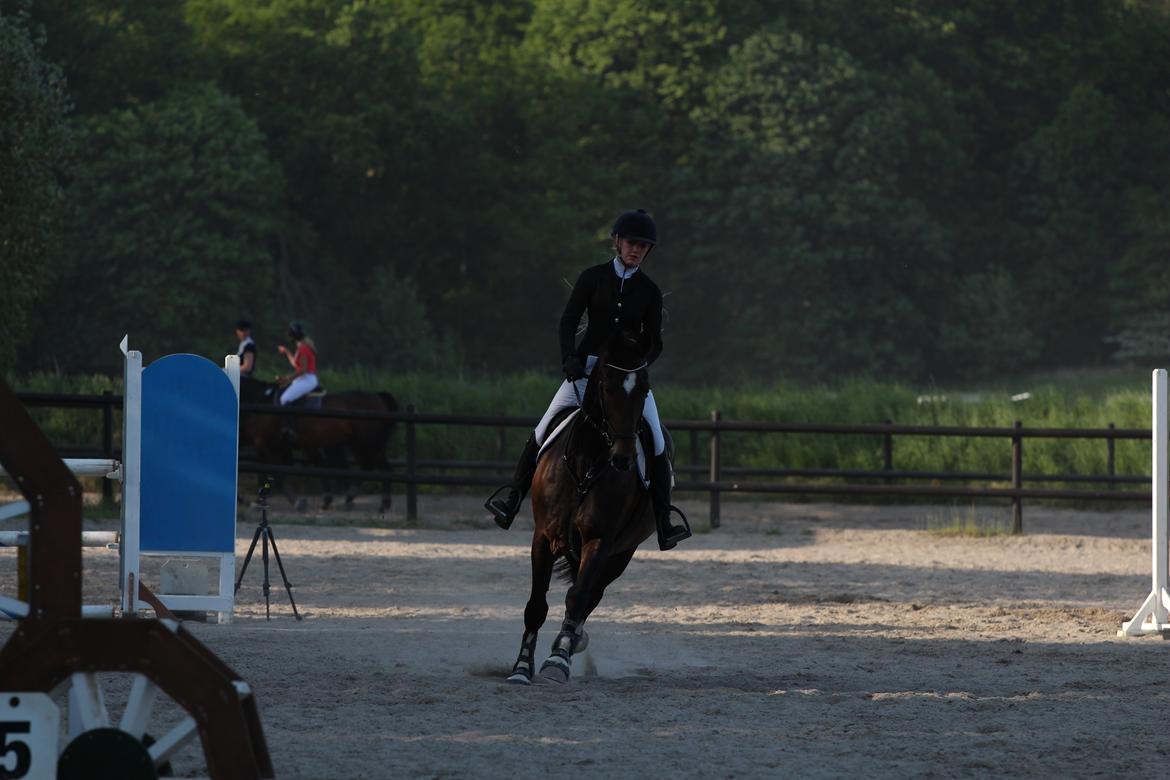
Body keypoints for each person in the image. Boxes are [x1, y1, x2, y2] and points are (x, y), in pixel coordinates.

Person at [484, 209, 691, 551]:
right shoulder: (592, 278)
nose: (636, 250)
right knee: (543, 428)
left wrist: (639, 366)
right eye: (631, 243)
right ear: (617, 242)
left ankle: (664, 521)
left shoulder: (650, 292)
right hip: (586, 371)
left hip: (626, 379)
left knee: (655, 440)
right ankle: (512, 500)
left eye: (643, 245)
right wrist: (569, 359)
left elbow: (655, 342)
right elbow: (568, 322)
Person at [276, 321, 319, 407]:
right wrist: (286, 351)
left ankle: (290, 421)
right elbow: (296, 365)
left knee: (284, 399)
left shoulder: (303, 349)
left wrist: (287, 379)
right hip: (304, 378)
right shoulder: (302, 347)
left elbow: (303, 370)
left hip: (307, 380)